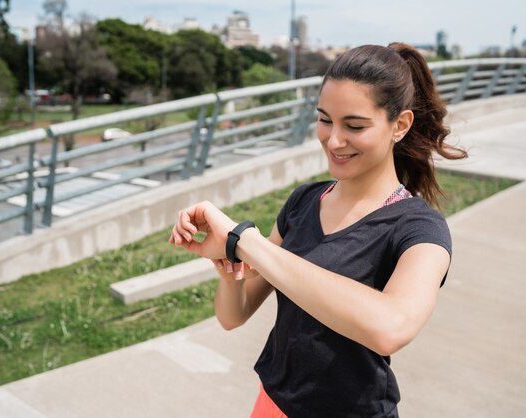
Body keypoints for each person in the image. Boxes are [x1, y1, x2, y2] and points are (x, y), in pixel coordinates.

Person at [169, 42, 467, 418]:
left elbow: (390, 327)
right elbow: (234, 315)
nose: (334, 140)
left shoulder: (419, 229)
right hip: (273, 405)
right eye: (325, 120)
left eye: (354, 125)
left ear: (401, 125)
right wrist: (228, 262)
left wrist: (244, 241)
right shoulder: (303, 202)